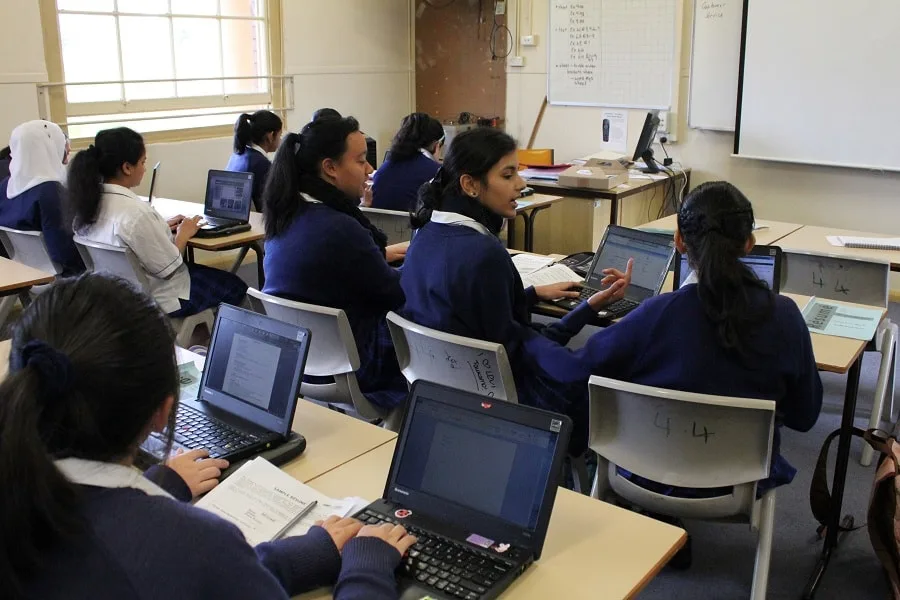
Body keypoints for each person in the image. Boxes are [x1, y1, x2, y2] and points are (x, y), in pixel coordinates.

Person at [0, 273, 417, 600]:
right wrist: (366, 570)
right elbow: (177, 567)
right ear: (163, 413)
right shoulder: (192, 544)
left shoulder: (27, 495)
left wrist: (304, 556)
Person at [539, 181, 823, 497]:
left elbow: (573, 370)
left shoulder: (656, 314)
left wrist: (549, 331)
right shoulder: (784, 316)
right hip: (741, 481)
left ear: (679, 242)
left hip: (646, 471)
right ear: (749, 243)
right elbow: (804, 416)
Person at [400, 127, 631, 454]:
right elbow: (517, 351)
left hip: (442, 388)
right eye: (508, 175)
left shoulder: (424, 234)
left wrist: (533, 294)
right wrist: (584, 313)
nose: (522, 184)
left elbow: (470, 319)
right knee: (601, 371)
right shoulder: (483, 251)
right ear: (470, 184)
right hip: (496, 396)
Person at [262, 116, 409, 409]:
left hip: (299, 364)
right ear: (329, 168)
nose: (369, 169)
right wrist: (421, 266)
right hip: (356, 368)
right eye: (361, 160)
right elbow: (396, 293)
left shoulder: (286, 216)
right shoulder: (339, 227)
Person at [69, 127, 247, 318]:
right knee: (236, 286)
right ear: (127, 167)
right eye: (143, 162)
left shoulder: (86, 208)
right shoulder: (137, 214)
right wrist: (182, 235)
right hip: (162, 299)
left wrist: (159, 226)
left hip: (117, 298)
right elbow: (169, 268)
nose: (145, 168)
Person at [0, 120, 83, 275]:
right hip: (59, 278)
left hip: (22, 272)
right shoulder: (50, 191)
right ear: (50, 147)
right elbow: (63, 253)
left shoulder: (6, 187)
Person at [371, 112, 443, 212]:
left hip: (379, 226)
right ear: (436, 145)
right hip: (416, 226)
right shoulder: (436, 172)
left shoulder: (384, 168)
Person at [225, 110, 283, 211]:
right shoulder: (261, 164)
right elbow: (269, 205)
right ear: (270, 136)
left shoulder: (238, 154)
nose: (280, 139)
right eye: (279, 135)